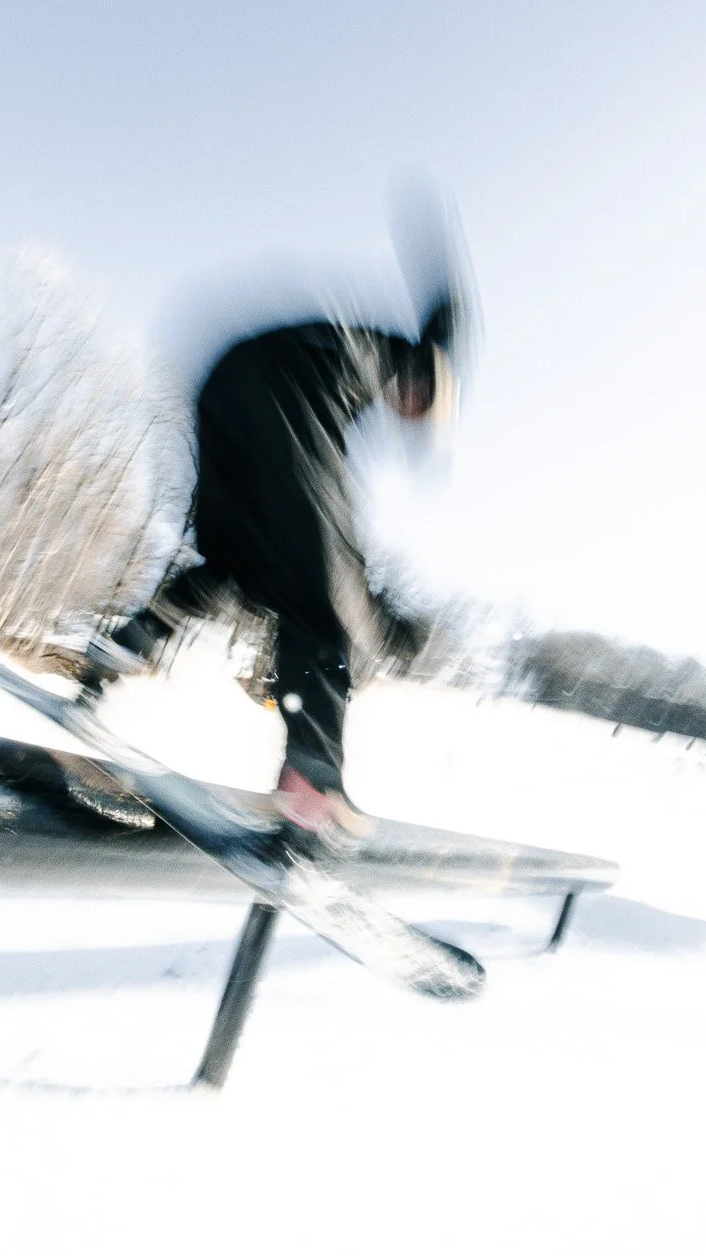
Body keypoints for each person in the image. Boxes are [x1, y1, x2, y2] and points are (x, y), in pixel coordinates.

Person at [78, 266, 463, 851]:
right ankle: (313, 786)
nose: (402, 413)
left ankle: (117, 649)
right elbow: (443, 337)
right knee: (326, 605)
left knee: (236, 564)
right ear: (427, 387)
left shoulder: (346, 354)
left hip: (226, 387)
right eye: (413, 410)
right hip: (284, 401)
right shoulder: (408, 361)